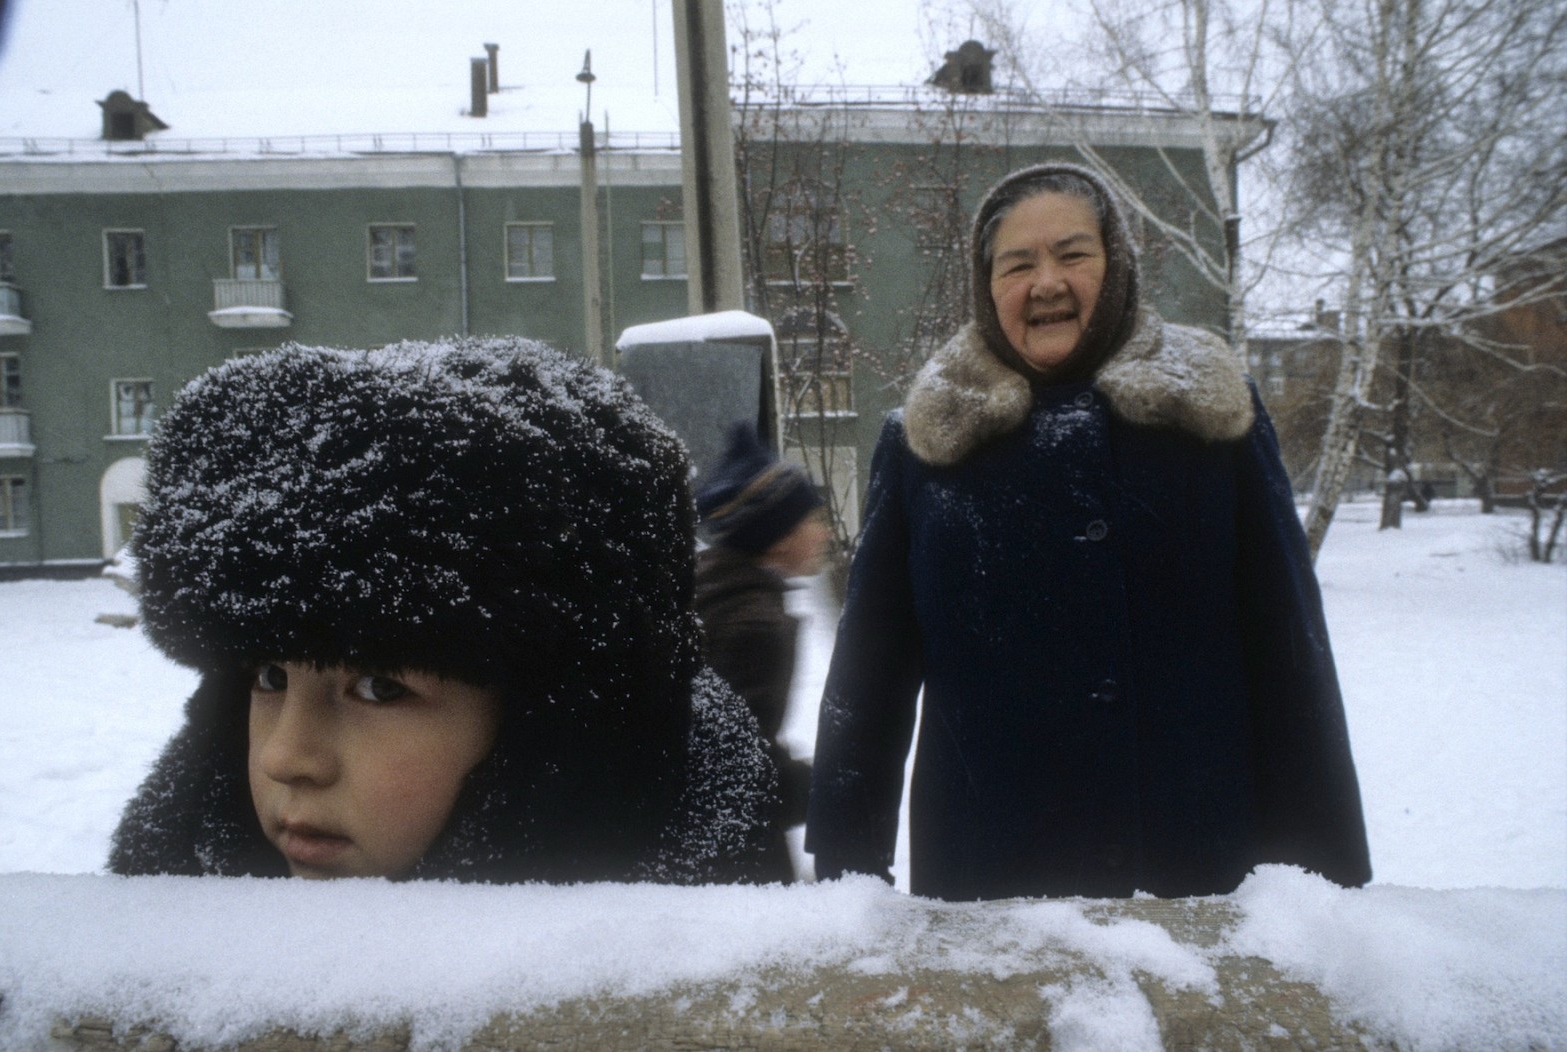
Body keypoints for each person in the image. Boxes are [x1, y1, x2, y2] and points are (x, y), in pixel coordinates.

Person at [805, 163, 1371, 901]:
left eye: (1073, 255)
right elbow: (867, 678)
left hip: (1195, 877)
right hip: (991, 890)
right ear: (987, 287)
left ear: (1119, 267)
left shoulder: (1211, 416)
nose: (1046, 283)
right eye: (1018, 264)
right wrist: (847, 876)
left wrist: (1323, 881)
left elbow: (1290, 653)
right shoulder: (925, 441)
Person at [108, 336, 781, 884]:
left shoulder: (693, 967)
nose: (287, 756)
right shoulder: (166, 926)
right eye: (268, 678)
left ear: (555, 732)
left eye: (378, 685)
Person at [693, 422, 829, 881]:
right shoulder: (755, 626)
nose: (824, 532)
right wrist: (824, 787)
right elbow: (730, 772)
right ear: (779, 536)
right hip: (735, 871)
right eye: (812, 519)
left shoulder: (712, 591)